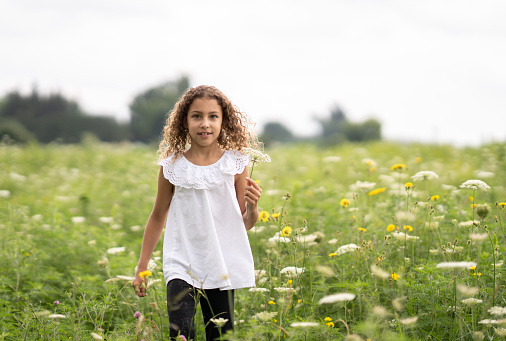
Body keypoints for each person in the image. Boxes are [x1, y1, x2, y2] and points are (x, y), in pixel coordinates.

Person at [132, 85, 262, 341]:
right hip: (181, 262)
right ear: (185, 121)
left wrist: (254, 208)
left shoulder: (235, 163)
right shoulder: (171, 166)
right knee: (181, 335)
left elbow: (244, 223)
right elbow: (158, 216)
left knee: (220, 335)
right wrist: (142, 266)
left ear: (224, 121)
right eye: (197, 116)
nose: (205, 124)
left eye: (213, 116)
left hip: (220, 263)